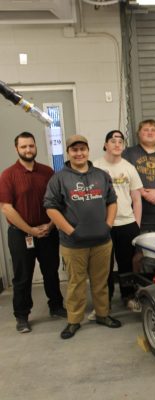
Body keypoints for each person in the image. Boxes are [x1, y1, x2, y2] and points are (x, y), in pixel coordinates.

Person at [44, 135, 121, 339]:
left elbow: (112, 202)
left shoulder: (101, 175)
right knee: (76, 283)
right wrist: (71, 231)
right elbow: (51, 209)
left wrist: (108, 225)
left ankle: (103, 315)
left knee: (101, 281)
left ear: (88, 150)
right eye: (74, 150)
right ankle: (74, 321)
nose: (79, 153)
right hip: (73, 243)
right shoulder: (59, 178)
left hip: (101, 241)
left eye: (82, 149)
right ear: (68, 153)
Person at [0, 132, 66, 333]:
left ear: (36, 146)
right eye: (23, 147)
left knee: (51, 271)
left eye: (31, 146)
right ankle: (22, 316)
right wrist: (30, 230)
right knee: (23, 276)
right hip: (21, 234)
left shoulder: (47, 172)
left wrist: (51, 225)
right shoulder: (8, 175)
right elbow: (6, 208)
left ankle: (56, 306)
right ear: (17, 149)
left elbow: (58, 202)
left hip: (48, 231)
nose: (28, 150)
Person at [93, 130, 143, 313]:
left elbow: (137, 198)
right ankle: (104, 301)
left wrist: (136, 225)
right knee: (103, 267)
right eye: (112, 141)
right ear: (105, 144)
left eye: (120, 141)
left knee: (126, 265)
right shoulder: (95, 167)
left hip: (127, 224)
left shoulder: (129, 168)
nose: (116, 144)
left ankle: (128, 296)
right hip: (104, 225)